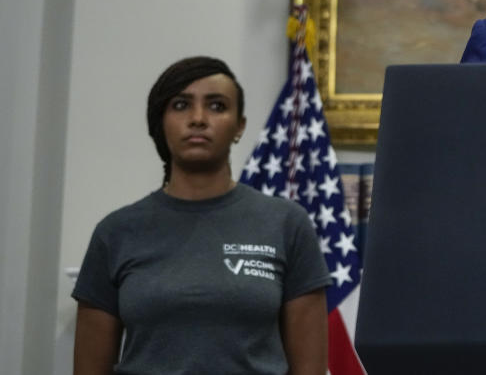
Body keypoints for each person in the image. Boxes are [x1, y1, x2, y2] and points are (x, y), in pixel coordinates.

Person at [72, 57, 329, 375]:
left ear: (239, 126)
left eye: (217, 106)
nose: (197, 119)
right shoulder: (116, 232)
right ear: (160, 123)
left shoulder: (287, 223)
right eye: (180, 105)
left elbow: (311, 370)